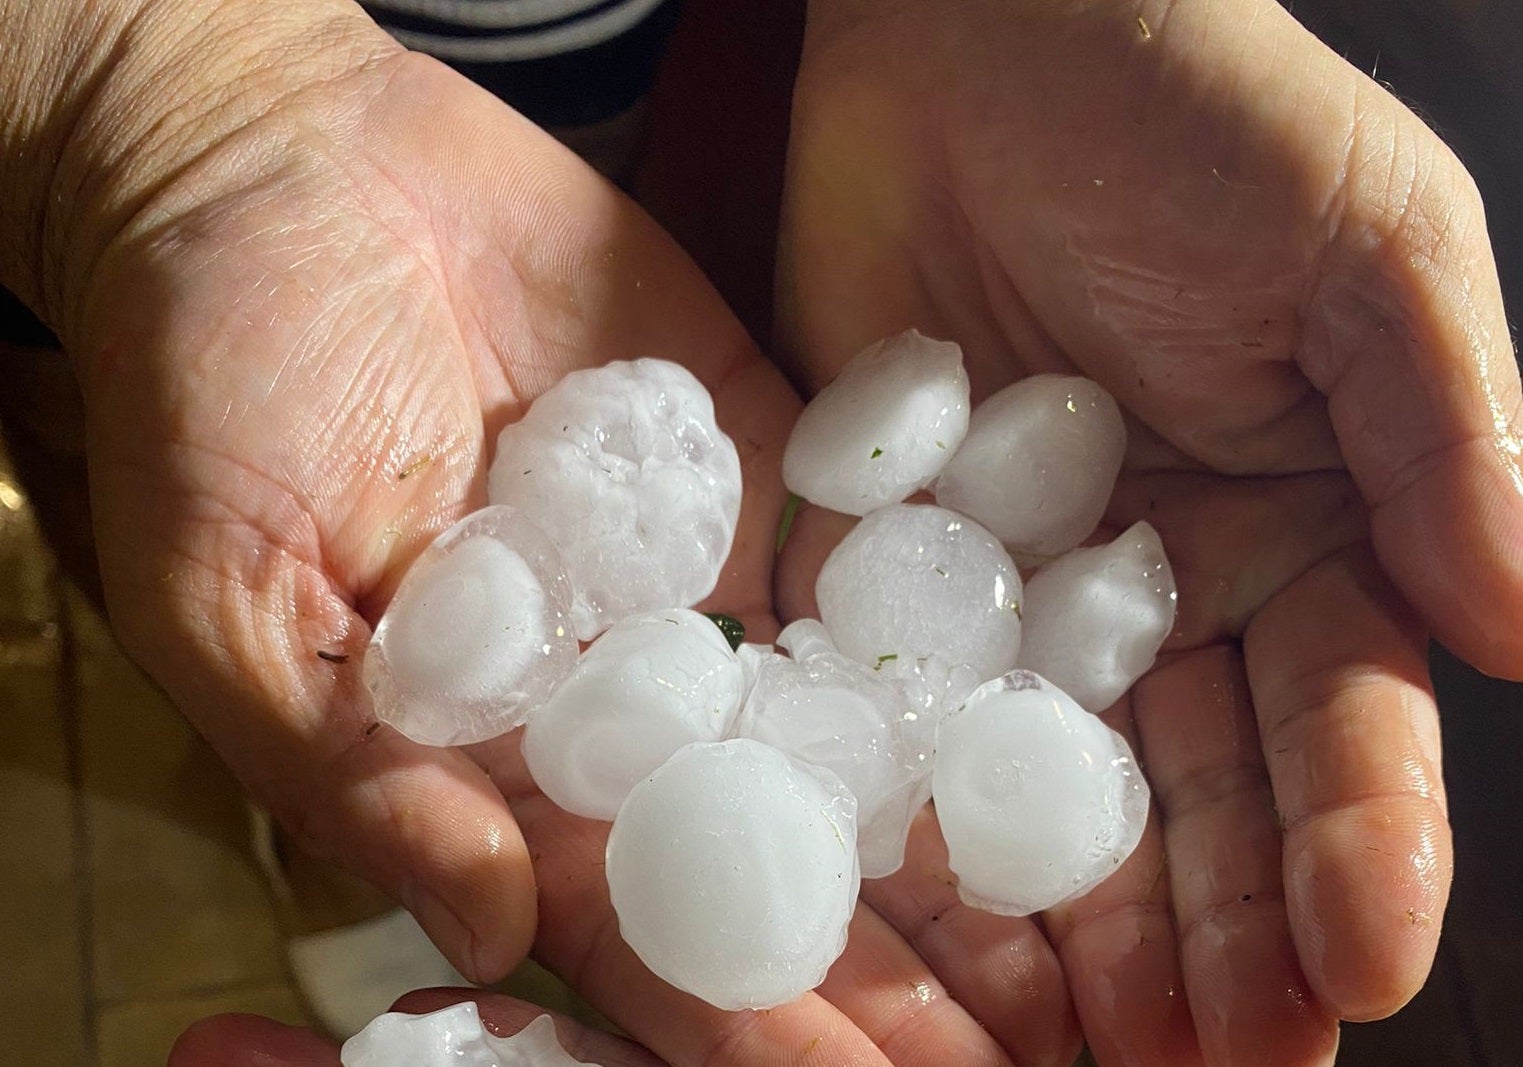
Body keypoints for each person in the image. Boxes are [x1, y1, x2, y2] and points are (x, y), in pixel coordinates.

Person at [2, 0, 1518, 1064]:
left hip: (582, 54)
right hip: (120, 181)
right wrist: (149, 70)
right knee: (180, 525)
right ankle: (321, 866)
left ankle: (349, 877)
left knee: (333, 693)